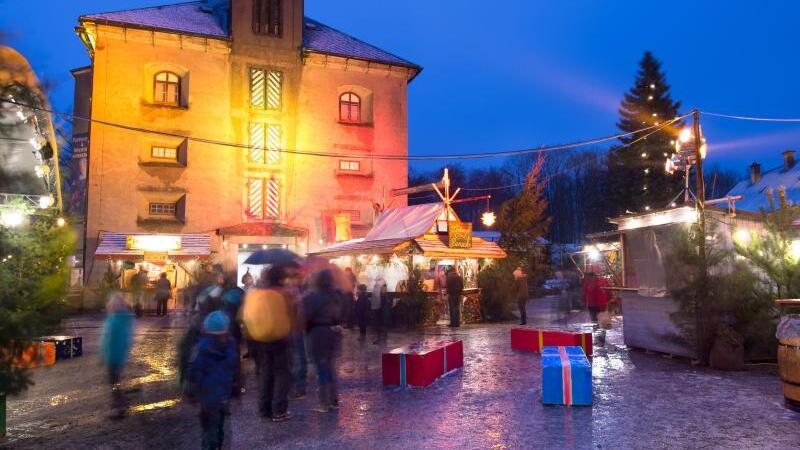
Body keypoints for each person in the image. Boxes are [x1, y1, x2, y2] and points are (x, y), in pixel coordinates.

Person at [241, 265, 294, 422]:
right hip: (280, 339)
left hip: (260, 339)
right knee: (282, 374)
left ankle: (264, 410)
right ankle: (279, 411)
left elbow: (245, 316)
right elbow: (292, 316)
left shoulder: (255, 293)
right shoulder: (283, 294)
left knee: (265, 373)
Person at [187, 311, 238, 450]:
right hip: (223, 394)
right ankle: (217, 445)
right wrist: (235, 386)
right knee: (220, 424)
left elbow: (193, 370)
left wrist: (191, 391)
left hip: (207, 397)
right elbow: (234, 367)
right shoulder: (230, 345)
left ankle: (210, 447)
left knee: (209, 427)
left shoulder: (201, 347)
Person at [303, 269, 343, 413]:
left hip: (318, 333)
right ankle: (334, 400)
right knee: (330, 366)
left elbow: (306, 316)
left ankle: (323, 403)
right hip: (333, 332)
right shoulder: (336, 295)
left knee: (322, 367)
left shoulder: (314, 297)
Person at [99, 292, 134, 420]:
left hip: (113, 357)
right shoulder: (121, 319)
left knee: (114, 383)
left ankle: (120, 407)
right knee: (115, 382)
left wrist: (104, 355)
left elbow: (109, 340)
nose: (108, 305)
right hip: (116, 356)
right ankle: (121, 403)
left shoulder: (115, 320)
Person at [371, 277, 387, 343]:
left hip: (379, 307)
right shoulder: (378, 287)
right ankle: (380, 338)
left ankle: (380, 338)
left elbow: (377, 297)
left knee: (379, 322)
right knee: (379, 322)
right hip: (378, 307)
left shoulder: (378, 287)